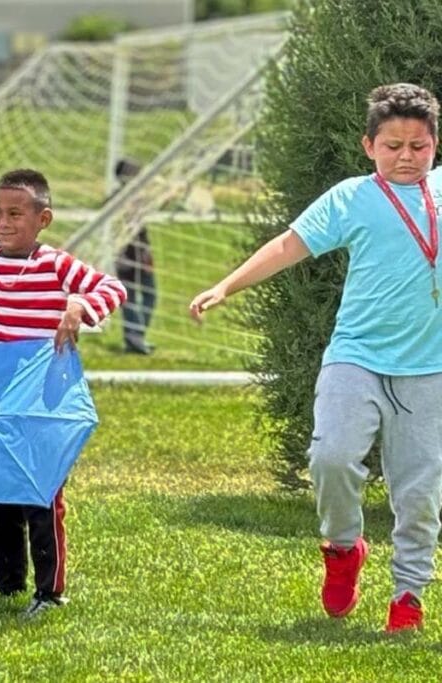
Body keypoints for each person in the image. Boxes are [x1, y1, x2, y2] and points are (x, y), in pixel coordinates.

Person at [189, 83, 442, 633]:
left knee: (420, 490)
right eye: (393, 144)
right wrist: (226, 287)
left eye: (418, 146)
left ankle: (408, 596)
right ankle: (345, 548)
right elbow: (288, 245)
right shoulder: (351, 197)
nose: (406, 156)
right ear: (368, 145)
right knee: (330, 458)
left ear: (435, 145)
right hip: (356, 356)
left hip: (430, 369)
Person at [0, 168, 127, 616]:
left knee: (41, 496)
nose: (3, 222)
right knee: (1, 495)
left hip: (38, 404)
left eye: (15, 213)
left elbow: (113, 288)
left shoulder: (54, 264)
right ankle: (9, 588)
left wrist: (78, 305)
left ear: (43, 218)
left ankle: (50, 593)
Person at [112, 158, 157, 354]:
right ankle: (134, 338)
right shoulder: (120, 201)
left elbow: (141, 232)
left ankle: (136, 337)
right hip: (127, 258)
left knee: (149, 296)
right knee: (132, 298)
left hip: (138, 255)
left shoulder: (136, 199)